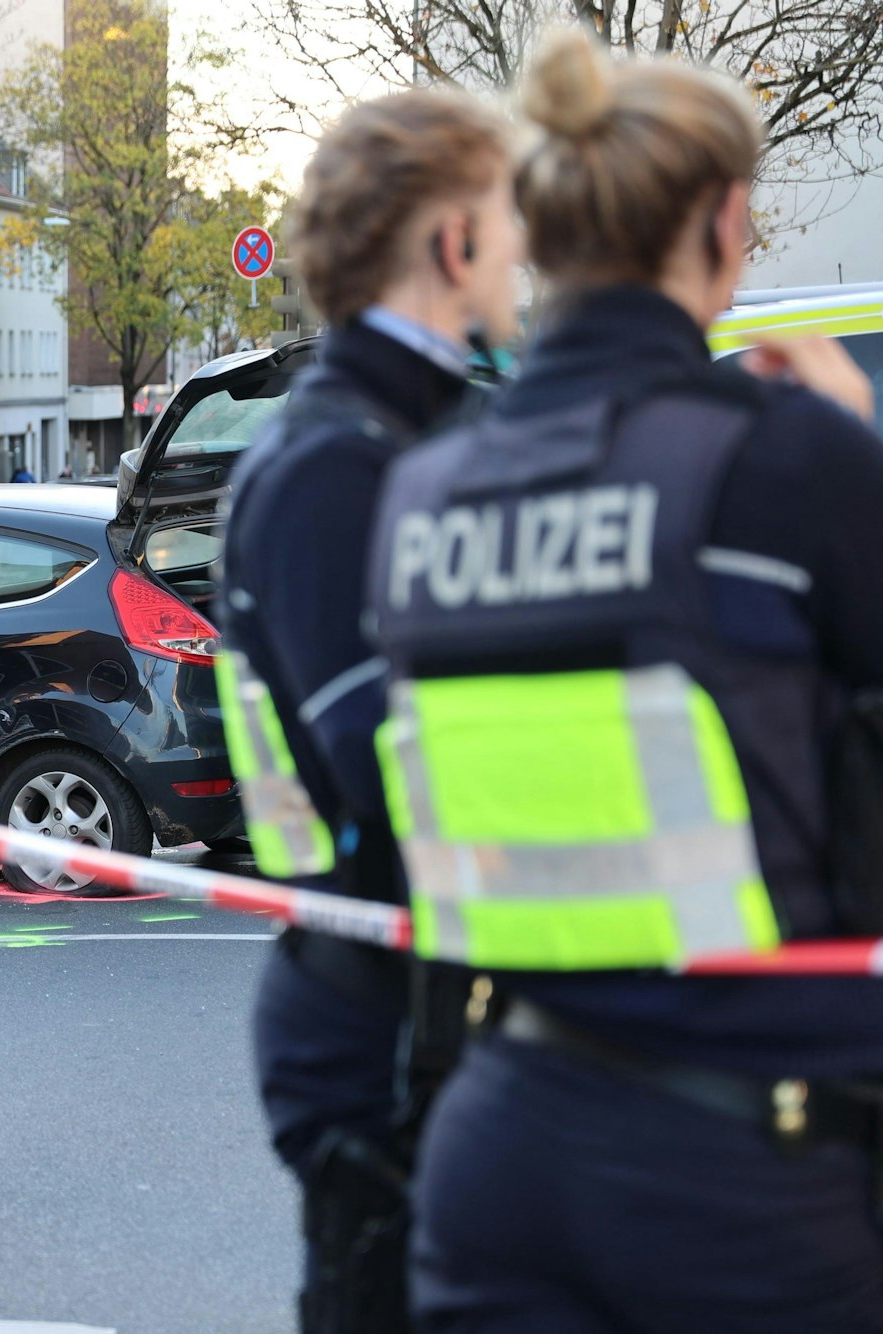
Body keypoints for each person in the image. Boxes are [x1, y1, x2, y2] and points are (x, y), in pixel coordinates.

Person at [365, 32, 883, 1331]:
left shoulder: (422, 493)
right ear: (722, 221)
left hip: (500, 1141)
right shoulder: (782, 461)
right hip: (747, 1171)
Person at [216, 89, 521, 1333]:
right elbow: (390, 768)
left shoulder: (413, 429)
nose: (523, 255)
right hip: (379, 1033)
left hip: (430, 1013)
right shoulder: (336, 462)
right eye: (508, 224)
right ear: (452, 245)